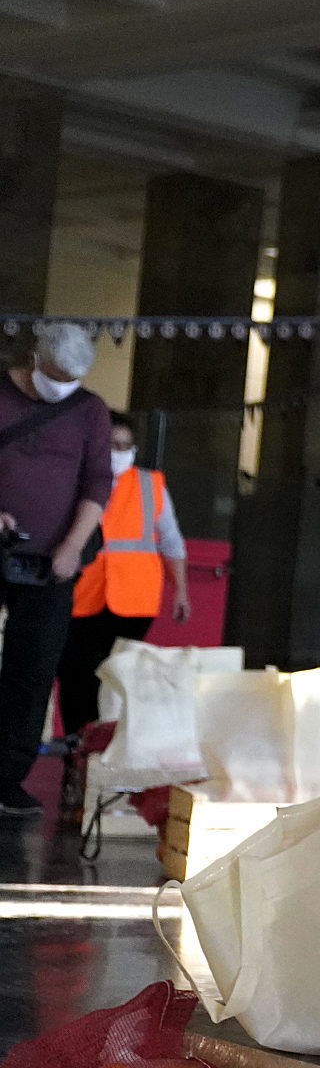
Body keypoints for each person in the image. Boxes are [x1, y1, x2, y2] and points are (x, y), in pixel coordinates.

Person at [0, 324, 114, 818]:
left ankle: (7, 776)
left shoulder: (89, 410)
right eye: (55, 375)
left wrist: (71, 546)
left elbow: (97, 481)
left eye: (72, 378)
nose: (62, 385)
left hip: (52, 565)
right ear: (35, 358)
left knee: (33, 668)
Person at [55, 417, 190, 748]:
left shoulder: (149, 484)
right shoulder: (71, 479)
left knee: (119, 679)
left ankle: (114, 754)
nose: (117, 452)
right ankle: (80, 750)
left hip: (134, 598)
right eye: (110, 445)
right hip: (80, 595)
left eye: (124, 446)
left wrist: (181, 591)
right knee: (76, 676)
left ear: (133, 450)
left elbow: (170, 541)